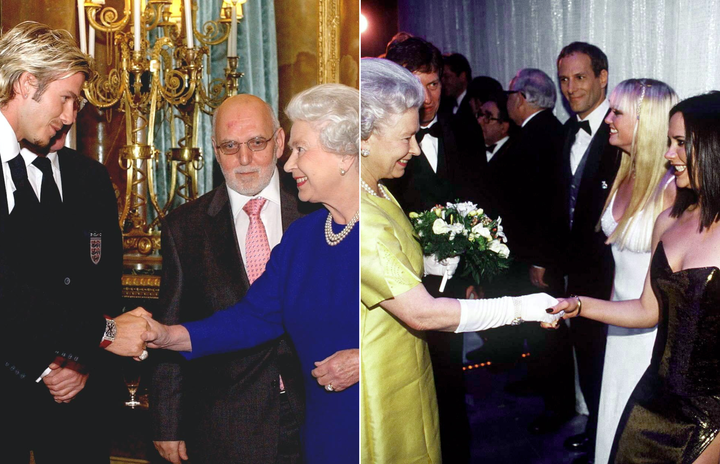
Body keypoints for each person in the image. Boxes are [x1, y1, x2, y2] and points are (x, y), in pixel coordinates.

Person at [143, 83, 360, 464]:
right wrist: (166, 342)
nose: (244, 157)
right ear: (215, 152)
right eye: (230, 146)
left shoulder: (318, 214)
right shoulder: (187, 227)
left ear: (278, 142)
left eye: (257, 143)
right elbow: (249, 317)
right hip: (229, 422)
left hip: (321, 407)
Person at [359, 57, 561, 464]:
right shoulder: (363, 208)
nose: (415, 149)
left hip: (409, 361)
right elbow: (423, 314)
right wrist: (521, 307)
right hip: (382, 367)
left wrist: (436, 263)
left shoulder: (382, 191)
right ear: (365, 136)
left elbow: (394, 261)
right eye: (406, 138)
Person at [0, 21, 149, 463]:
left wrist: (81, 356)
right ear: (27, 83)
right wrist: (104, 333)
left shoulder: (36, 165)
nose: (70, 116)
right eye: (65, 98)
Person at [551, 91, 720, 463]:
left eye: (680, 144)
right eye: (668, 143)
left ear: (712, 147)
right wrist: (578, 306)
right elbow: (648, 310)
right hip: (652, 399)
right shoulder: (669, 220)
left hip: (712, 417)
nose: (668, 154)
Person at [593, 79, 678, 464]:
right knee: (612, 420)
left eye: (617, 113)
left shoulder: (672, 188)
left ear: (645, 122)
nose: (608, 119)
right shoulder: (623, 172)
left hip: (652, 332)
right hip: (619, 323)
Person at [546, 42, 622, 461]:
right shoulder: (564, 132)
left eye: (580, 78)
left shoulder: (621, 130)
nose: (570, 88)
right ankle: (597, 428)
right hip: (574, 271)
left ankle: (606, 437)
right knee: (588, 357)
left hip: (611, 273)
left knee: (607, 358)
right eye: (564, 80)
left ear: (602, 77)